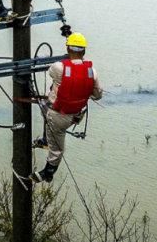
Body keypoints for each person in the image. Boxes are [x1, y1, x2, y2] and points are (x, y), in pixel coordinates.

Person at [31, 32, 103, 183]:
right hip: (75, 116)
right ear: (83, 51)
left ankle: (48, 172)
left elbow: (51, 72)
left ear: (68, 49)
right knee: (45, 107)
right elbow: (97, 95)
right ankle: (45, 139)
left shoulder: (59, 67)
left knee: (57, 147)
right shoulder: (92, 71)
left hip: (58, 116)